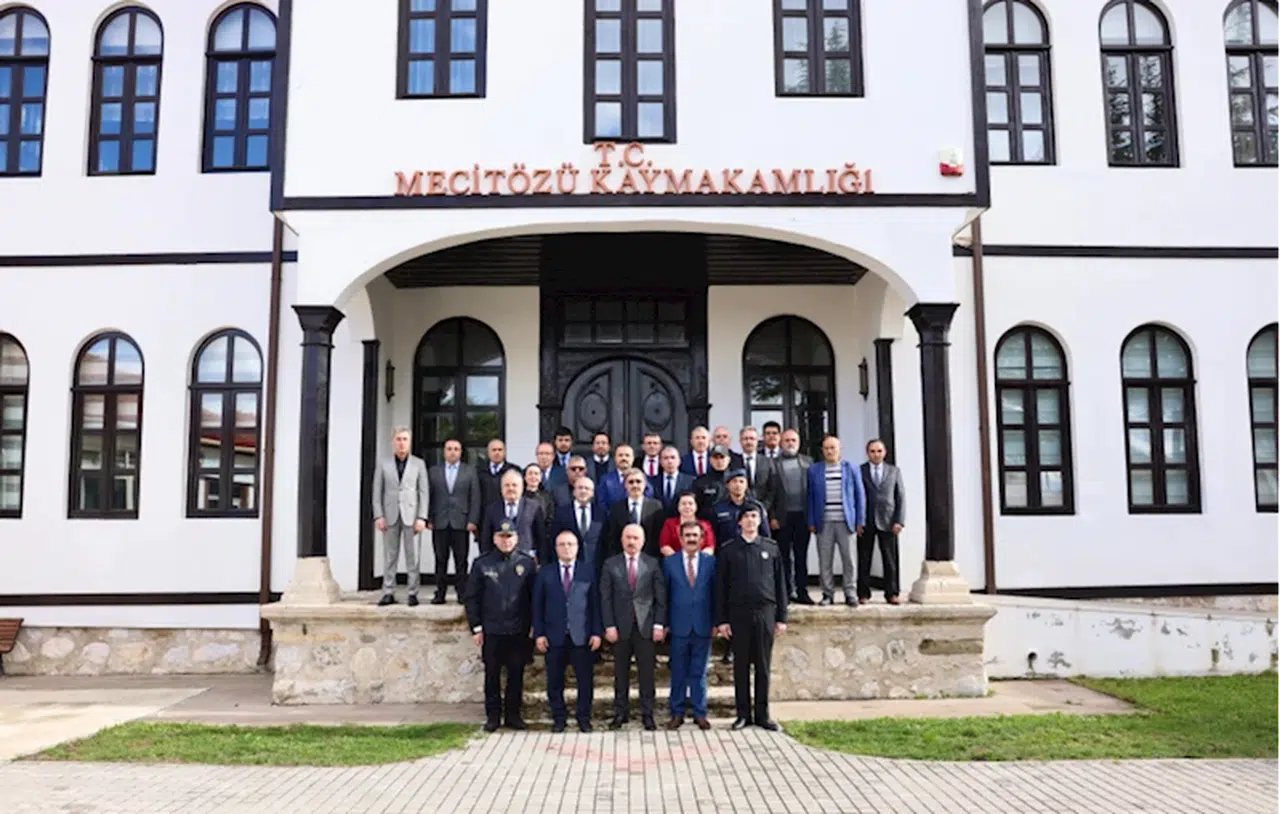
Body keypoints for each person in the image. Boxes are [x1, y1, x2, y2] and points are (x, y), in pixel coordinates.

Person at [715, 502, 787, 731]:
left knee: (763, 666)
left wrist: (782, 618)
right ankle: (743, 715)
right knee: (741, 666)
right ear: (739, 521)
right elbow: (721, 588)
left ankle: (763, 715)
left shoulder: (771, 548)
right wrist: (722, 620)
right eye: (746, 516)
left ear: (760, 520)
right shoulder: (729, 550)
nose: (750, 520)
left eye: (754, 516)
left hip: (765, 612)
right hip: (738, 613)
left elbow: (780, 584)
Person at [465, 519, 537, 732]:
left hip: (518, 630)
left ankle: (513, 716)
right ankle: (493, 717)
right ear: (494, 538)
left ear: (516, 538)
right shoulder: (482, 563)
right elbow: (472, 598)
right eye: (502, 536)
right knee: (492, 676)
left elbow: (534, 598)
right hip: (492, 630)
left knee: (516, 675)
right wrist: (476, 627)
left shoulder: (527, 563)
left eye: (510, 536)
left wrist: (534, 625)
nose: (506, 541)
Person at [534, 530, 603, 733]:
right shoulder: (545, 573)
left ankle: (584, 718)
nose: (566, 548)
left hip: (582, 636)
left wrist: (596, 632)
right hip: (554, 635)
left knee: (585, 681)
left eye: (570, 544)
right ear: (556, 548)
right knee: (554, 681)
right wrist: (539, 633)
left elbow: (595, 605)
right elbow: (537, 606)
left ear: (577, 547)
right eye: (562, 544)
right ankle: (559, 718)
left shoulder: (588, 571)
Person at [600, 524, 667, 731]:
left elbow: (660, 598)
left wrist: (659, 624)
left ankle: (648, 714)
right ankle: (620, 713)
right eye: (628, 537)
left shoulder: (652, 563)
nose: (631, 542)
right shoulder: (610, 564)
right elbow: (605, 598)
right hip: (620, 628)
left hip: (645, 627)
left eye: (636, 538)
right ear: (622, 539)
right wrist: (609, 625)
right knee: (620, 674)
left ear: (643, 541)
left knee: (647, 674)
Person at [663, 520, 716, 730]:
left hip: (703, 625)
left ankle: (699, 713)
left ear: (702, 539)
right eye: (688, 535)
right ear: (680, 538)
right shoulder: (670, 562)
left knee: (699, 672)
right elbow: (664, 596)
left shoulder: (711, 562)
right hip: (678, 626)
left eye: (695, 535)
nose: (691, 539)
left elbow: (716, 594)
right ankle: (677, 713)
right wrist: (664, 623)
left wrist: (716, 622)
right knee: (678, 671)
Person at [372, 428, 429, 607]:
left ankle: (413, 592)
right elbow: (377, 492)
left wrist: (422, 517)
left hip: (412, 516)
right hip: (390, 515)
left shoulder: (419, 464)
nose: (402, 443)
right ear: (393, 441)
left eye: (405, 439)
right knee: (390, 556)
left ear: (409, 442)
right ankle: (388, 591)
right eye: (398, 439)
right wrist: (378, 515)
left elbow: (424, 492)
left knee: (413, 557)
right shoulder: (383, 464)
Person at [807, 435, 866, 606]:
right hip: (823, 521)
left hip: (846, 521)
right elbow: (810, 497)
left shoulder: (851, 468)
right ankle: (827, 594)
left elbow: (860, 495)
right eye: (826, 448)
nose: (829, 451)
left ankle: (850, 592)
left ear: (840, 449)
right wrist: (811, 521)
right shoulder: (814, 470)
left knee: (849, 560)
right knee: (825, 560)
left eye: (833, 448)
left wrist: (860, 520)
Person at [426, 438, 482, 605]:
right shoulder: (434, 471)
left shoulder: (469, 471)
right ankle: (440, 593)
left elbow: (475, 498)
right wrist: (429, 518)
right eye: (449, 449)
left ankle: (462, 593)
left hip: (461, 522)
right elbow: (428, 496)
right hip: (440, 522)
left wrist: (473, 520)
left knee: (461, 560)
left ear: (460, 452)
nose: (452, 452)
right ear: (444, 452)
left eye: (456, 449)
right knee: (440, 559)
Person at [858, 439, 906, 605]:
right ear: (867, 453)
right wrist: (858, 520)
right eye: (872, 451)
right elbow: (856, 496)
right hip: (866, 520)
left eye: (879, 451)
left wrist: (899, 521)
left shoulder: (894, 471)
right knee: (864, 558)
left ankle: (892, 593)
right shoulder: (860, 470)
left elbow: (900, 497)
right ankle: (863, 593)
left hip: (888, 521)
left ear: (884, 452)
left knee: (890, 559)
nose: (876, 454)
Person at [774, 429, 814, 604]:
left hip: (802, 517)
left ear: (798, 443)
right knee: (783, 556)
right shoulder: (773, 463)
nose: (790, 443)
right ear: (781, 443)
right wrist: (773, 516)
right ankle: (786, 593)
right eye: (787, 440)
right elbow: (771, 492)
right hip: (782, 517)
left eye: (793, 440)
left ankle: (802, 591)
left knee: (801, 556)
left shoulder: (808, 462)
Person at [480, 469, 547, 562]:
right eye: (507, 485)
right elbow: (486, 540)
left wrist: (541, 562)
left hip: (526, 561)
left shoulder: (534, 507)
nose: (510, 488)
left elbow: (541, 538)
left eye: (514, 485)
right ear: (501, 488)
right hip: (499, 562)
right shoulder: (492, 509)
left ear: (522, 487)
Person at [604, 468, 665, 560]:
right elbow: (613, 538)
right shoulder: (616, 508)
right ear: (625, 485)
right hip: (623, 559)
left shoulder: (656, 506)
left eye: (638, 481)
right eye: (631, 482)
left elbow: (658, 536)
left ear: (645, 484)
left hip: (650, 559)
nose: (635, 485)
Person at [552, 476, 607, 573]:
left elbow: (605, 541)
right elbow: (554, 539)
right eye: (580, 488)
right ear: (574, 492)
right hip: (570, 567)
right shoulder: (561, 513)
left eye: (587, 488)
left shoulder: (601, 514)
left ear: (592, 493)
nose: (583, 491)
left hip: (596, 567)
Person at [595, 443, 653, 511]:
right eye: (620, 455)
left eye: (627, 455)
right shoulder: (605, 479)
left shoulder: (642, 478)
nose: (624, 458)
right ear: (615, 458)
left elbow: (649, 497)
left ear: (633, 458)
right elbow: (602, 503)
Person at [659, 491, 716, 556]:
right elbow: (665, 546)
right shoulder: (669, 523)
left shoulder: (705, 525)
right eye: (683, 504)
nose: (687, 506)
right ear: (678, 507)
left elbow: (710, 547)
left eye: (690, 503)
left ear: (696, 506)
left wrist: (698, 560)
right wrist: (678, 560)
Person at [523, 463, 556, 558]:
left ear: (541, 477)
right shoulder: (520, 496)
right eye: (530, 473)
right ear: (525, 477)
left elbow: (550, 518)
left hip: (542, 542)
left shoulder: (547, 497)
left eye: (536, 474)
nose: (533, 477)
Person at [477, 438, 520, 509]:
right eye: (494, 450)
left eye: (500, 450)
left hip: (506, 511)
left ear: (505, 452)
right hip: (484, 512)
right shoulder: (479, 471)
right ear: (488, 452)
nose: (497, 452)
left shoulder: (514, 470)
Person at [692, 444, 731, 519]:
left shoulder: (736, 480)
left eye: (722, 457)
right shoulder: (701, 481)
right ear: (710, 460)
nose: (719, 461)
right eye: (715, 458)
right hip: (708, 522)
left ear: (728, 459)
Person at [654, 445, 694, 516]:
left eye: (673, 457)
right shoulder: (652, 481)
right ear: (660, 462)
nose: (670, 461)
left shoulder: (691, 481)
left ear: (679, 461)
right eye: (666, 458)